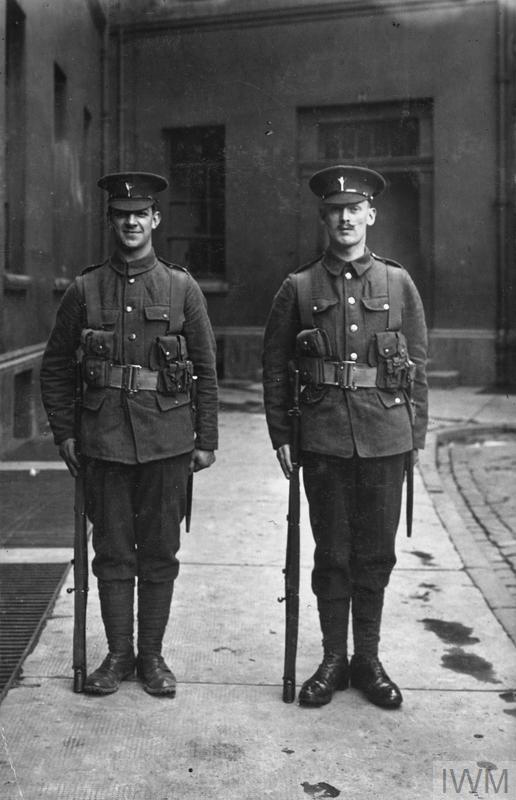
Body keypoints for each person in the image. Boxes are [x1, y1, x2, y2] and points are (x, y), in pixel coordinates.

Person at [40, 172, 218, 697]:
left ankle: (154, 658)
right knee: (114, 551)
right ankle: (118, 655)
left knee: (160, 551)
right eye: (123, 214)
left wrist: (205, 439)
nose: (132, 222)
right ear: (111, 220)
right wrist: (65, 433)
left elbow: (206, 369)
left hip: (167, 440)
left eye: (141, 214)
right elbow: (55, 368)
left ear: (155, 220)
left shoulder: (181, 287)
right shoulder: (85, 288)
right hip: (105, 440)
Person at [262, 165, 428, 709]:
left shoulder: (398, 283)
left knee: (375, 554)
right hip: (325, 437)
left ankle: (368, 660)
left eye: (354, 209)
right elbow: (275, 363)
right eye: (335, 210)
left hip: (385, 436)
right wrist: (282, 432)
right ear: (323, 219)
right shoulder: (300, 286)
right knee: (331, 551)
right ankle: (333, 659)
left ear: (370, 215)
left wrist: (415, 437)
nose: (345, 218)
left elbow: (418, 367)